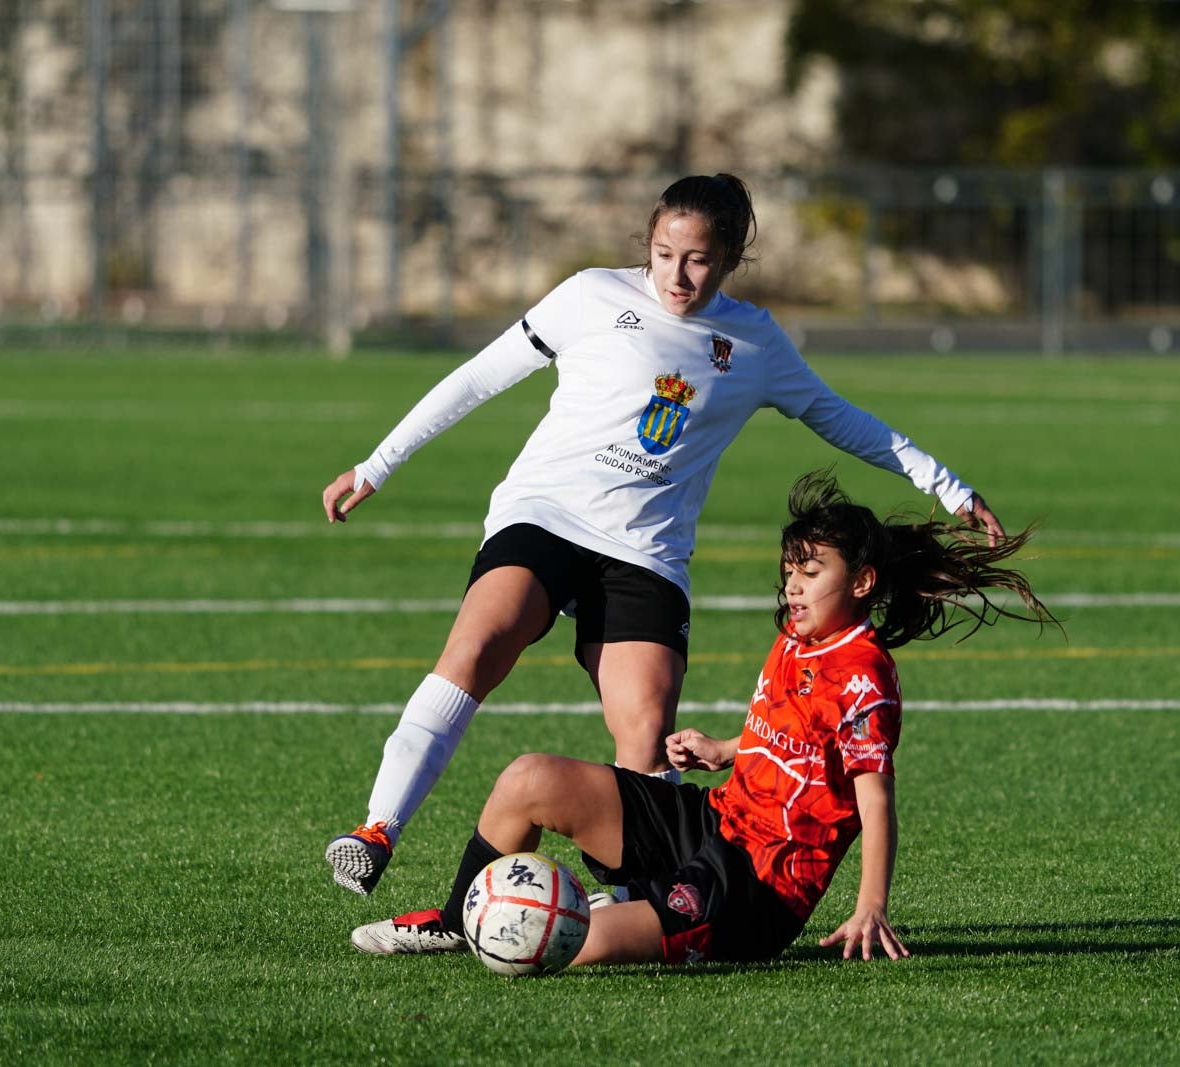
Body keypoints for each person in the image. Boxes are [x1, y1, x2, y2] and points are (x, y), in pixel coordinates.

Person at [320, 174, 1005, 898]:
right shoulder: (590, 295)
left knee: (647, 733)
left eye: (699, 259)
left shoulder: (756, 343)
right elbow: (480, 376)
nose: (676, 274)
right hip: (545, 514)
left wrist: (949, 486)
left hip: (645, 551)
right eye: (662, 252)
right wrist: (378, 462)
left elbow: (843, 419)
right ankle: (377, 830)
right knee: (479, 644)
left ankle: (654, 902)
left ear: (732, 258)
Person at [344, 471, 1051, 965]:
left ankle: (598, 916)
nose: (793, 584)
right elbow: (799, 740)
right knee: (528, 778)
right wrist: (724, 748)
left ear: (861, 582)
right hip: (715, 822)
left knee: (569, 942)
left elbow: (872, 795)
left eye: (811, 571)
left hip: (757, 888)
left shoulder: (864, 674)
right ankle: (457, 921)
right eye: (789, 569)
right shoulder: (798, 638)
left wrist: (870, 904)